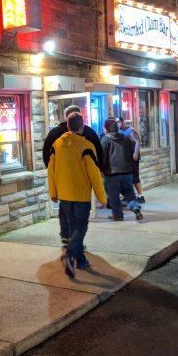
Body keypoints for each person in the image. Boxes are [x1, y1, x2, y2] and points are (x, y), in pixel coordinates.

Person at [48, 113, 107, 279]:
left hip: (64, 197)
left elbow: (50, 171)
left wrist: (53, 192)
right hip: (81, 197)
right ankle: (70, 255)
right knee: (81, 229)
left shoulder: (56, 145)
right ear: (82, 127)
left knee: (74, 229)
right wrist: (102, 198)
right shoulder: (86, 146)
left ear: (67, 126)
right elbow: (94, 174)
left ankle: (81, 261)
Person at [43, 105, 103, 246]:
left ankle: (66, 236)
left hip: (62, 181)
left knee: (65, 211)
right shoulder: (88, 132)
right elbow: (98, 155)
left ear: (66, 117)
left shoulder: (54, 134)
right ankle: (76, 246)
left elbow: (47, 156)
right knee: (79, 216)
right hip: (81, 184)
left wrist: (54, 173)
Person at [101, 119, 143, 221]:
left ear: (106, 129)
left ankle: (118, 215)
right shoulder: (125, 138)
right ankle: (135, 207)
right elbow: (133, 155)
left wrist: (101, 170)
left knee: (113, 196)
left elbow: (102, 157)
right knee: (129, 193)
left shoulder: (105, 140)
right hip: (127, 172)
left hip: (112, 173)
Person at [117, 116, 145, 203]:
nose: (117, 124)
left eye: (118, 122)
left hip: (133, 156)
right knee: (127, 177)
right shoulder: (119, 132)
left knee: (135, 176)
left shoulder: (131, 130)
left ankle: (140, 196)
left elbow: (137, 141)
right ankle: (128, 195)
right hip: (125, 157)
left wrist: (135, 153)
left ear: (123, 122)